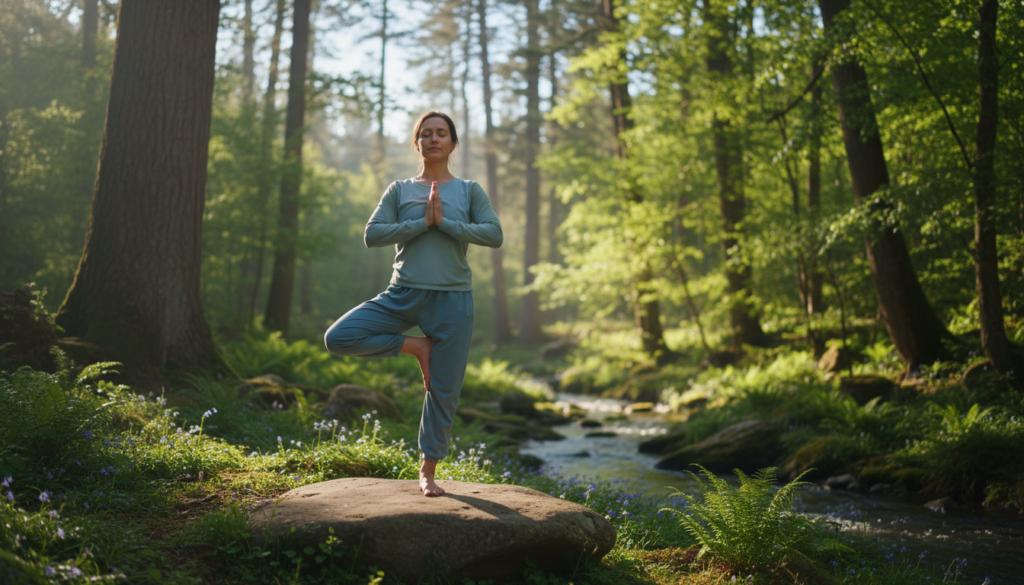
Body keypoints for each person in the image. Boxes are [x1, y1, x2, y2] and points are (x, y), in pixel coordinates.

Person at [324, 111, 503, 497]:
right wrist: (421, 223)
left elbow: (494, 234)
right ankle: (417, 346)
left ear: (454, 144)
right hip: (403, 294)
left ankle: (427, 471)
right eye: (426, 134)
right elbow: (372, 235)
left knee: (444, 390)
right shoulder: (399, 190)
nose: (434, 139)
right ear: (416, 143)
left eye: (442, 133)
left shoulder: (470, 191)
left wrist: (448, 224)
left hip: (453, 301)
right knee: (339, 337)